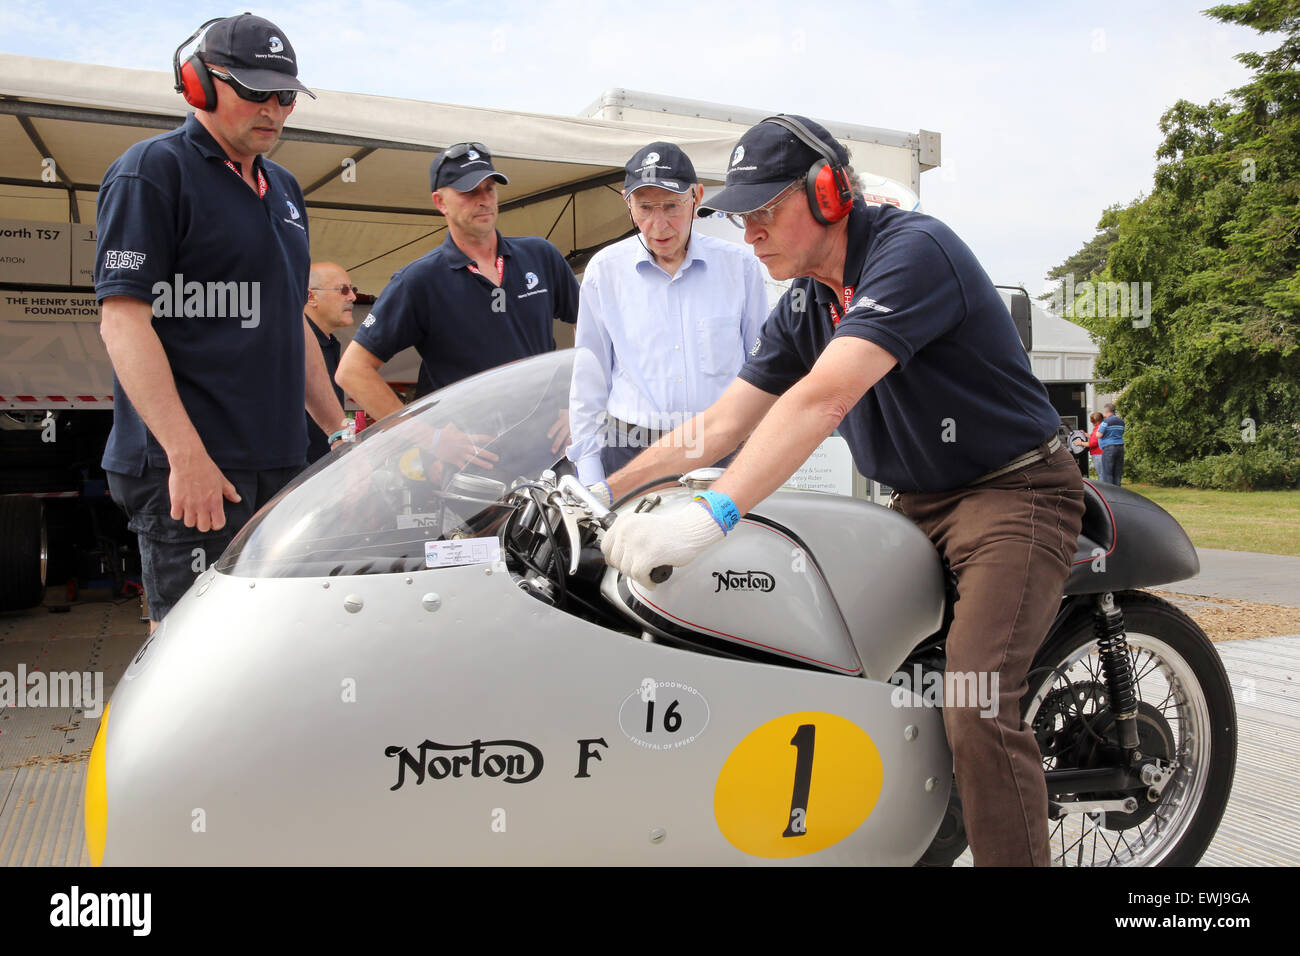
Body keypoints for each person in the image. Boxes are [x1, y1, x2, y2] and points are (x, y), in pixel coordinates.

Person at [599, 115, 1085, 866]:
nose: (750, 231)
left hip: (1013, 494)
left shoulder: (913, 253)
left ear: (829, 192)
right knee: (833, 666)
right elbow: (724, 420)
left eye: (765, 209)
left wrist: (712, 514)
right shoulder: (806, 303)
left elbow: (823, 398)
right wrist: (604, 487)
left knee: (976, 704)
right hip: (914, 505)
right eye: (742, 215)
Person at [95, 14, 349, 631]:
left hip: (281, 462)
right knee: (191, 656)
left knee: (270, 644)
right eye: (255, 91)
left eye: (285, 95)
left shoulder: (285, 188)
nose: (274, 109)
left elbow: (293, 325)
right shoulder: (151, 171)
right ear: (199, 84)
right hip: (195, 468)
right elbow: (124, 324)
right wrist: (186, 457)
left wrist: (342, 435)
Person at [335, 142, 580, 425]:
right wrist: (428, 437)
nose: (484, 199)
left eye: (490, 188)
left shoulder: (540, 255)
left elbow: (590, 326)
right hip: (470, 455)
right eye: (469, 191)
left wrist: (573, 403)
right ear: (440, 202)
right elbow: (352, 371)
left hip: (544, 440)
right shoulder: (419, 280)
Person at [567, 142, 767, 487]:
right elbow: (589, 379)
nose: (658, 225)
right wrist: (589, 473)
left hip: (719, 447)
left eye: (671, 206)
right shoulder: (605, 271)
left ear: (697, 197)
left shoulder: (740, 268)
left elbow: (764, 368)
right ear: (627, 203)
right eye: (644, 208)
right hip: (633, 449)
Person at [304, 263, 357, 463]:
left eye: (353, 289)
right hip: (299, 475)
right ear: (311, 297)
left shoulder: (329, 344)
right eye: (343, 290)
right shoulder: (294, 345)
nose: (352, 297)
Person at [1098, 402, 1126, 485]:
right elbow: (1122, 432)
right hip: (1120, 447)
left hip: (1109, 448)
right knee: (1117, 472)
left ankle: (1109, 493)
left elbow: (1099, 434)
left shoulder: (1106, 421)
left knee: (1108, 472)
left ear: (1106, 412)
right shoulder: (1121, 421)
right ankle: (1118, 493)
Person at [1087, 410, 1105, 479]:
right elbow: (1094, 438)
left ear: (1096, 421)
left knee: (1101, 474)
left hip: (1098, 454)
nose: (1092, 424)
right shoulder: (1102, 427)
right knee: (1102, 473)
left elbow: (1092, 443)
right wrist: (1085, 435)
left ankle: (1102, 489)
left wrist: (1080, 443)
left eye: (1093, 422)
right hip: (1101, 453)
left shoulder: (1098, 429)